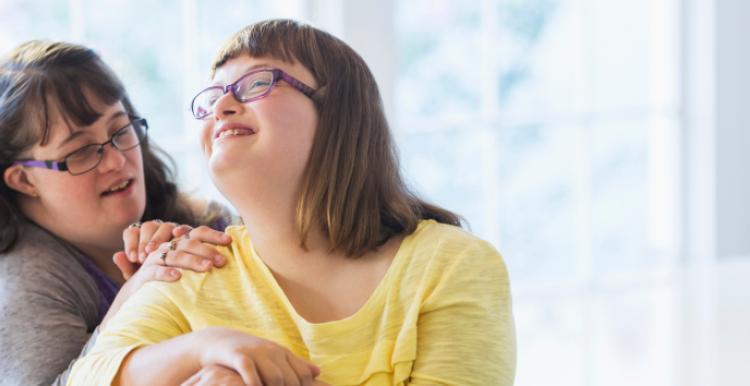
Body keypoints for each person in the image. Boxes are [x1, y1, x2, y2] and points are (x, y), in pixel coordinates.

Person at [69, 19, 516, 386]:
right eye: (212, 97)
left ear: (341, 113)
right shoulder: (192, 267)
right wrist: (204, 348)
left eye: (256, 83)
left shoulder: (451, 265)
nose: (222, 105)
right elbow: (86, 379)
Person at [0, 41, 233, 385]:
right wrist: (135, 300)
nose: (116, 160)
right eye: (80, 151)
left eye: (120, 131)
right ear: (23, 180)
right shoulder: (27, 283)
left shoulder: (205, 222)